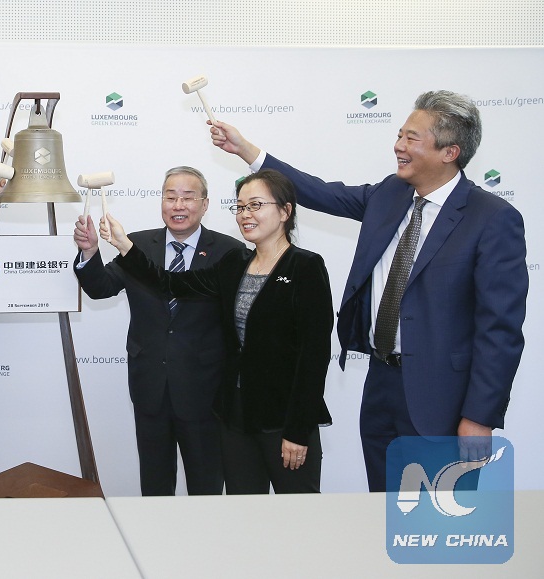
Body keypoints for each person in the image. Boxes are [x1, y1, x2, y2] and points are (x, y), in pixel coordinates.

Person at [209, 90, 528, 491]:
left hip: (443, 398)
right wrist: (247, 151)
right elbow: (319, 192)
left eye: (412, 138)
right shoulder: (388, 194)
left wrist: (479, 416)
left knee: (440, 517)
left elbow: (500, 330)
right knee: (386, 506)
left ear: (450, 152)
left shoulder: (492, 219)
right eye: (400, 135)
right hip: (381, 384)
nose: (399, 146)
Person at [97, 170, 334, 493]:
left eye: (256, 205)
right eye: (240, 207)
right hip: (235, 419)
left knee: (296, 513)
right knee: (240, 513)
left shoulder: (305, 267)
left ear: (284, 211)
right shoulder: (235, 262)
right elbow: (169, 283)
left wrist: (298, 429)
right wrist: (125, 245)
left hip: (282, 420)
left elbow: (314, 357)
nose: (245, 214)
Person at [73, 166, 242, 496]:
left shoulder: (229, 251)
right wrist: (90, 252)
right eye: (170, 197)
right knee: (154, 488)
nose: (178, 205)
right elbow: (101, 287)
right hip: (150, 387)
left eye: (188, 197)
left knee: (206, 488)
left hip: (205, 392)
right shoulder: (138, 244)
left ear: (205, 204)